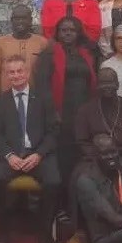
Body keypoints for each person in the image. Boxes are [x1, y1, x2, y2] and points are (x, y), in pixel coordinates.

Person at [58, 69, 122, 243]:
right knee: (78, 177)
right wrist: (102, 160)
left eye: (111, 84)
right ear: (97, 86)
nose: (107, 88)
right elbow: (81, 142)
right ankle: (80, 233)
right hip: (95, 159)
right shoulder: (86, 110)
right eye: (103, 84)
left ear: (117, 85)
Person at [0, 55, 62, 243]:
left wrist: (38, 155)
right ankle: (2, 231)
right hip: (10, 156)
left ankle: (45, 232)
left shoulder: (44, 99)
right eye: (11, 72)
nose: (16, 75)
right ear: (6, 75)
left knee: (54, 181)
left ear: (27, 73)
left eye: (20, 71)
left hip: (38, 154)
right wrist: (9, 156)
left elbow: (53, 132)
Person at [35, 16, 99, 199]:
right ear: (58, 32)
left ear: (78, 32)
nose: (68, 33)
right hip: (60, 114)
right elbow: (42, 86)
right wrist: (52, 113)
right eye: (64, 30)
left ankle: (80, 200)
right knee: (63, 159)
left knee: (82, 155)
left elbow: (92, 83)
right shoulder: (49, 54)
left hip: (84, 113)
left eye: (72, 30)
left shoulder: (87, 53)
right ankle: (62, 201)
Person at [0, 4, 49, 100]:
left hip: (35, 100)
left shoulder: (42, 42)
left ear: (31, 20)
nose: (20, 22)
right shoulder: (0, 43)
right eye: (17, 18)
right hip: (7, 99)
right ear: (11, 21)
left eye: (24, 18)